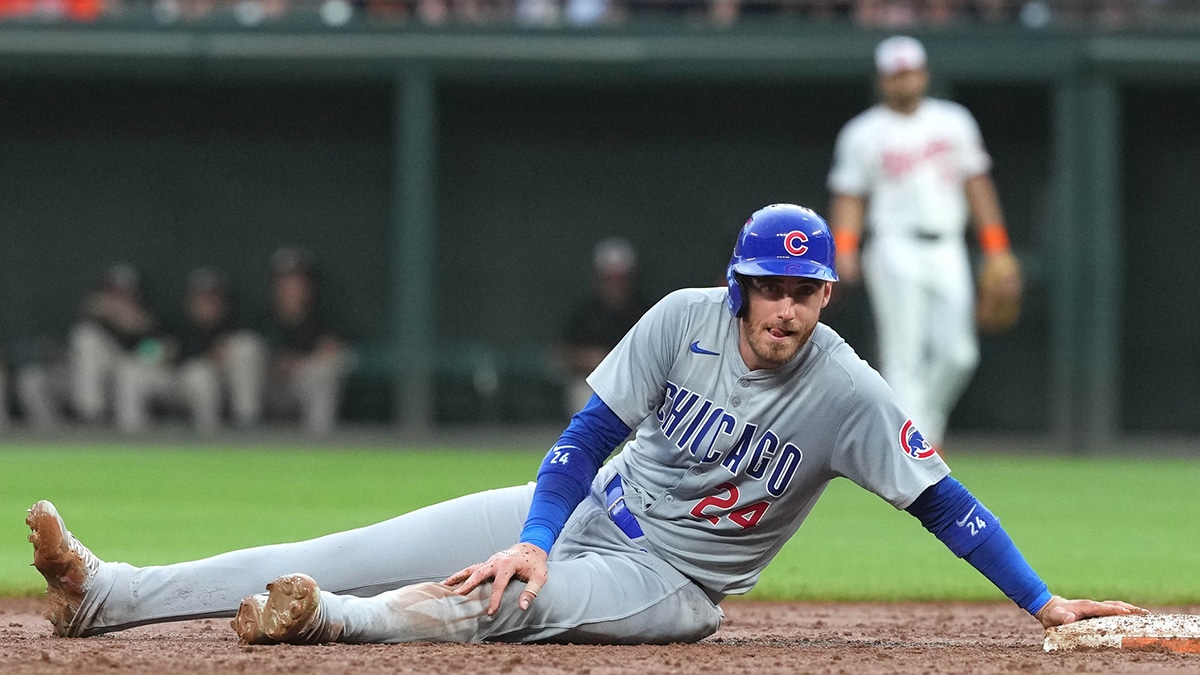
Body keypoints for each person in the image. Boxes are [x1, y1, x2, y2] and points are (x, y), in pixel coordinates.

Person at [26, 204, 1140, 645]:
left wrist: (1043, 601)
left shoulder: (849, 392)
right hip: (589, 512)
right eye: (770, 287)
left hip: (670, 583)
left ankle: (327, 628)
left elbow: (946, 504)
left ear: (827, 298)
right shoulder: (677, 322)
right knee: (345, 549)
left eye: (806, 293)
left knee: (504, 602)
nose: (787, 309)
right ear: (738, 284)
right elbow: (584, 439)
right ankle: (109, 596)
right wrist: (542, 525)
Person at [826, 35, 1022, 451]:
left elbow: (978, 187)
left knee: (960, 354)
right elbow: (850, 196)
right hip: (892, 245)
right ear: (882, 80)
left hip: (947, 244)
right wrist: (844, 247)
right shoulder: (863, 132)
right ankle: (918, 448)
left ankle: (924, 427)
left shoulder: (953, 121)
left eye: (911, 72)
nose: (904, 81)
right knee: (904, 355)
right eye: (896, 74)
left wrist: (997, 248)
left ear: (924, 74)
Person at [112, 268, 265, 434]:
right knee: (129, 369)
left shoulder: (232, 325)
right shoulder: (175, 323)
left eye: (212, 298)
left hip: (207, 384)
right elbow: (144, 350)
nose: (207, 303)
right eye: (201, 298)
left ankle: (213, 435)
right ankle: (132, 435)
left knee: (201, 374)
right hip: (171, 378)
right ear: (190, 300)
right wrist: (159, 352)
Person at [250, 246, 347, 435]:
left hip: (301, 386)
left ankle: (319, 439)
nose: (292, 287)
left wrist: (298, 364)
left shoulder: (324, 321)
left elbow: (333, 350)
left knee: (326, 367)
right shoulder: (258, 319)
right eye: (285, 281)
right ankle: (246, 428)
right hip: (266, 386)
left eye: (298, 281)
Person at [556, 237, 649, 417]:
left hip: (638, 385)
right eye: (609, 279)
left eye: (621, 279)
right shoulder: (585, 313)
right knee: (584, 395)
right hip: (593, 384)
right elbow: (560, 353)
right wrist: (590, 359)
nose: (615, 286)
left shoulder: (646, 311)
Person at [67, 263, 166, 426]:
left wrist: (139, 329)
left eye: (124, 292)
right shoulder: (95, 316)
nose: (118, 297)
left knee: (129, 371)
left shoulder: (148, 319)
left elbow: (157, 354)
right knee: (85, 336)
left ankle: (133, 434)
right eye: (113, 292)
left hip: (141, 371)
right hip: (102, 372)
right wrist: (107, 318)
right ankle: (91, 415)